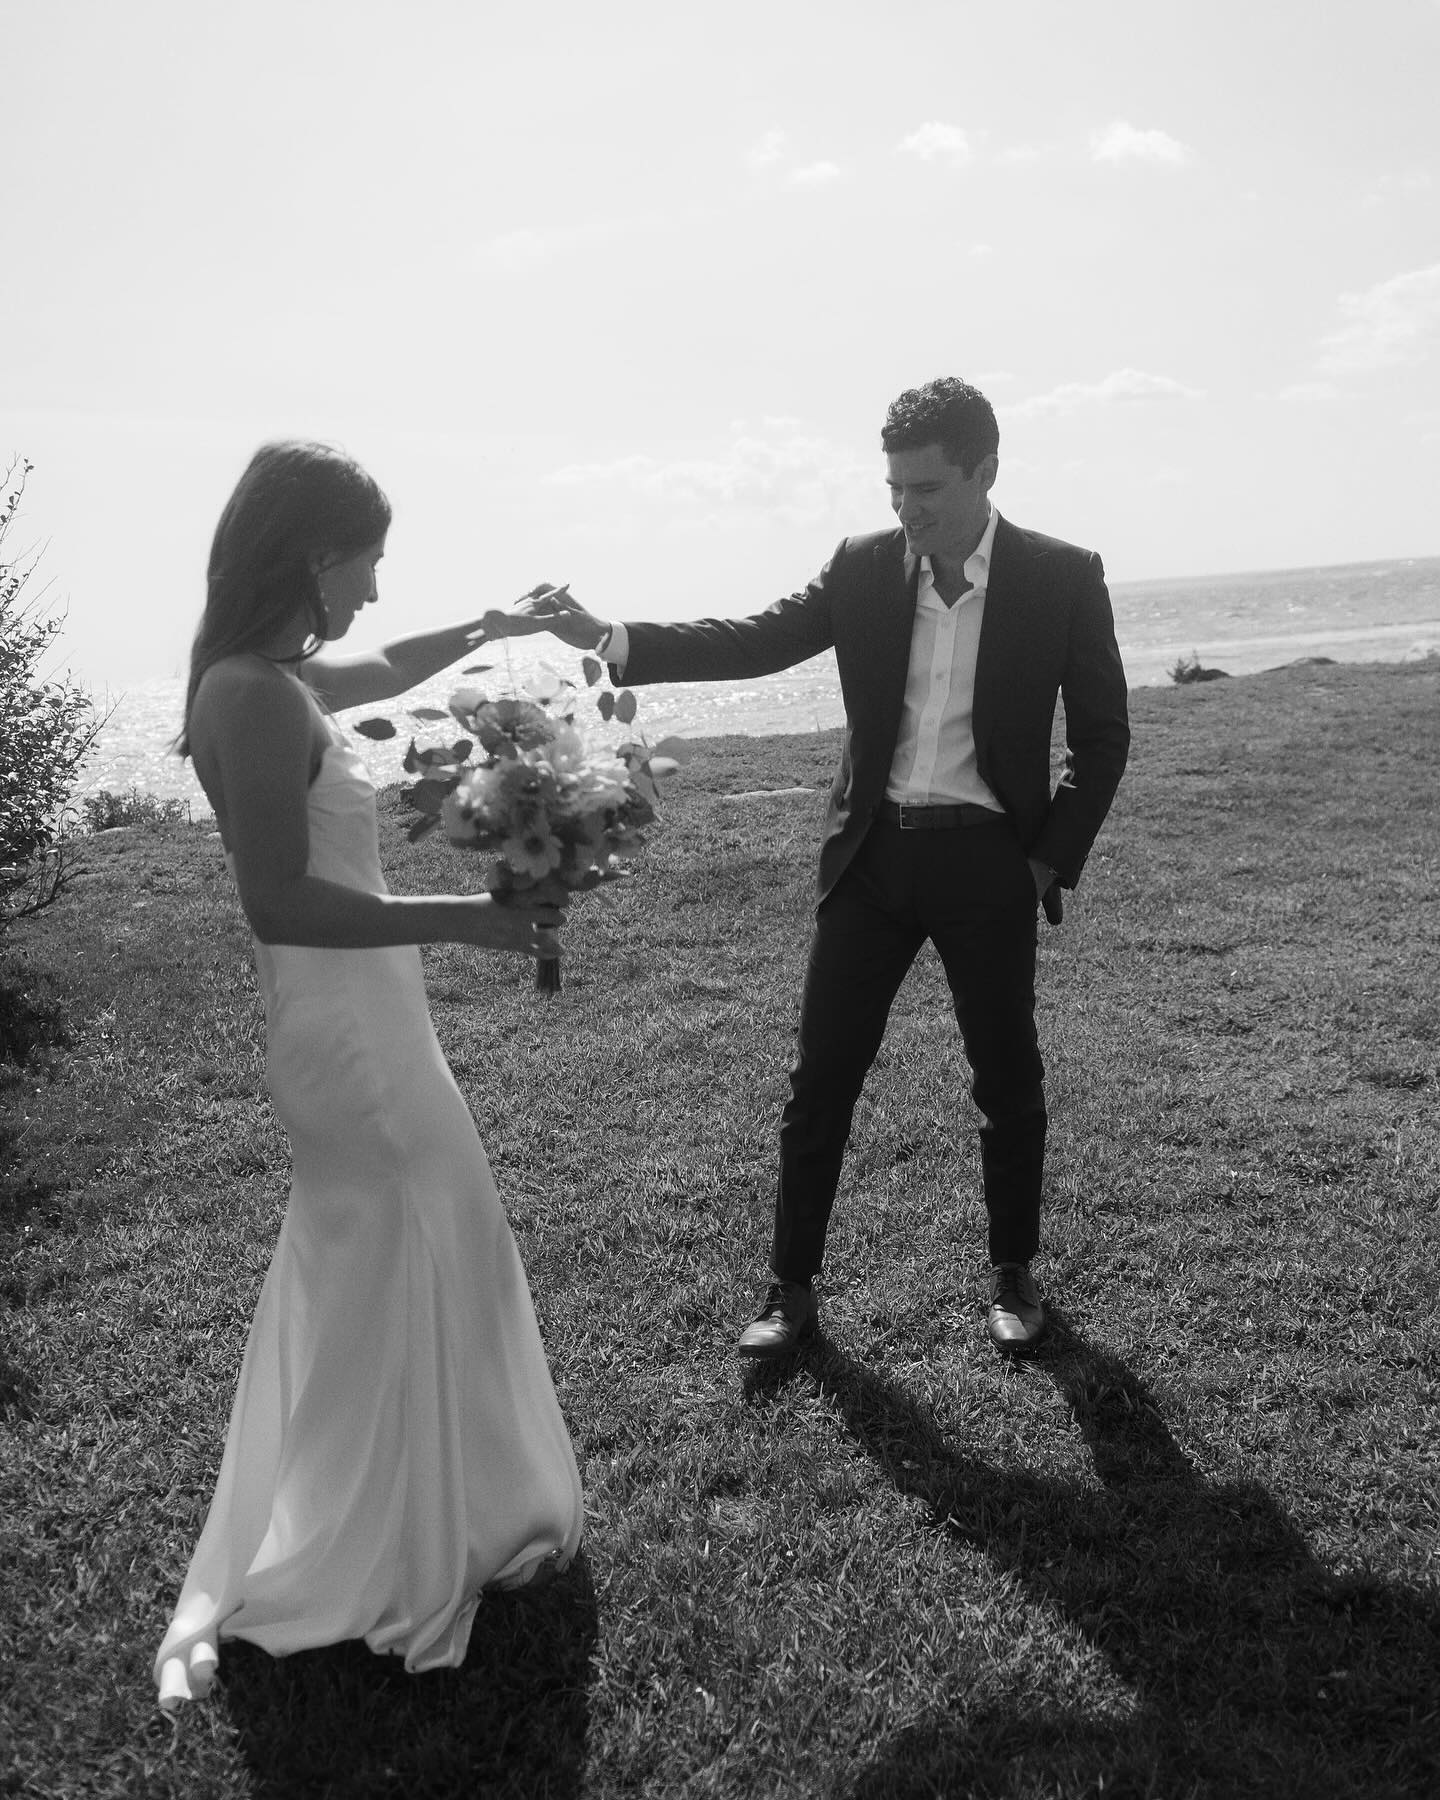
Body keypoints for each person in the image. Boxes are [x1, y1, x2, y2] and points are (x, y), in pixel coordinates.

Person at [488, 377, 1129, 1359]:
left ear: (987, 472)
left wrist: (1042, 864)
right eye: (894, 488)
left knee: (1007, 1078)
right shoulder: (863, 566)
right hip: (873, 858)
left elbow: (1103, 737)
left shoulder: (1061, 576)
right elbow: (754, 640)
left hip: (989, 861)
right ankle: (790, 1290)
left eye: (926, 488)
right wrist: (610, 638)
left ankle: (1013, 1271)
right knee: (820, 1079)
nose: (906, 509)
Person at [153, 440, 584, 1709]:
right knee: (433, 1236)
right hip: (347, 1039)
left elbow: (386, 664)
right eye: (370, 559)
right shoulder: (249, 695)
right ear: (313, 554)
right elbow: (279, 902)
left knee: (411, 1256)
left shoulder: (274, 678)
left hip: (370, 1025)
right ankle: (404, 1542)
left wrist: (492, 625)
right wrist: (467, 918)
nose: (378, 587)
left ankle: (421, 1512)